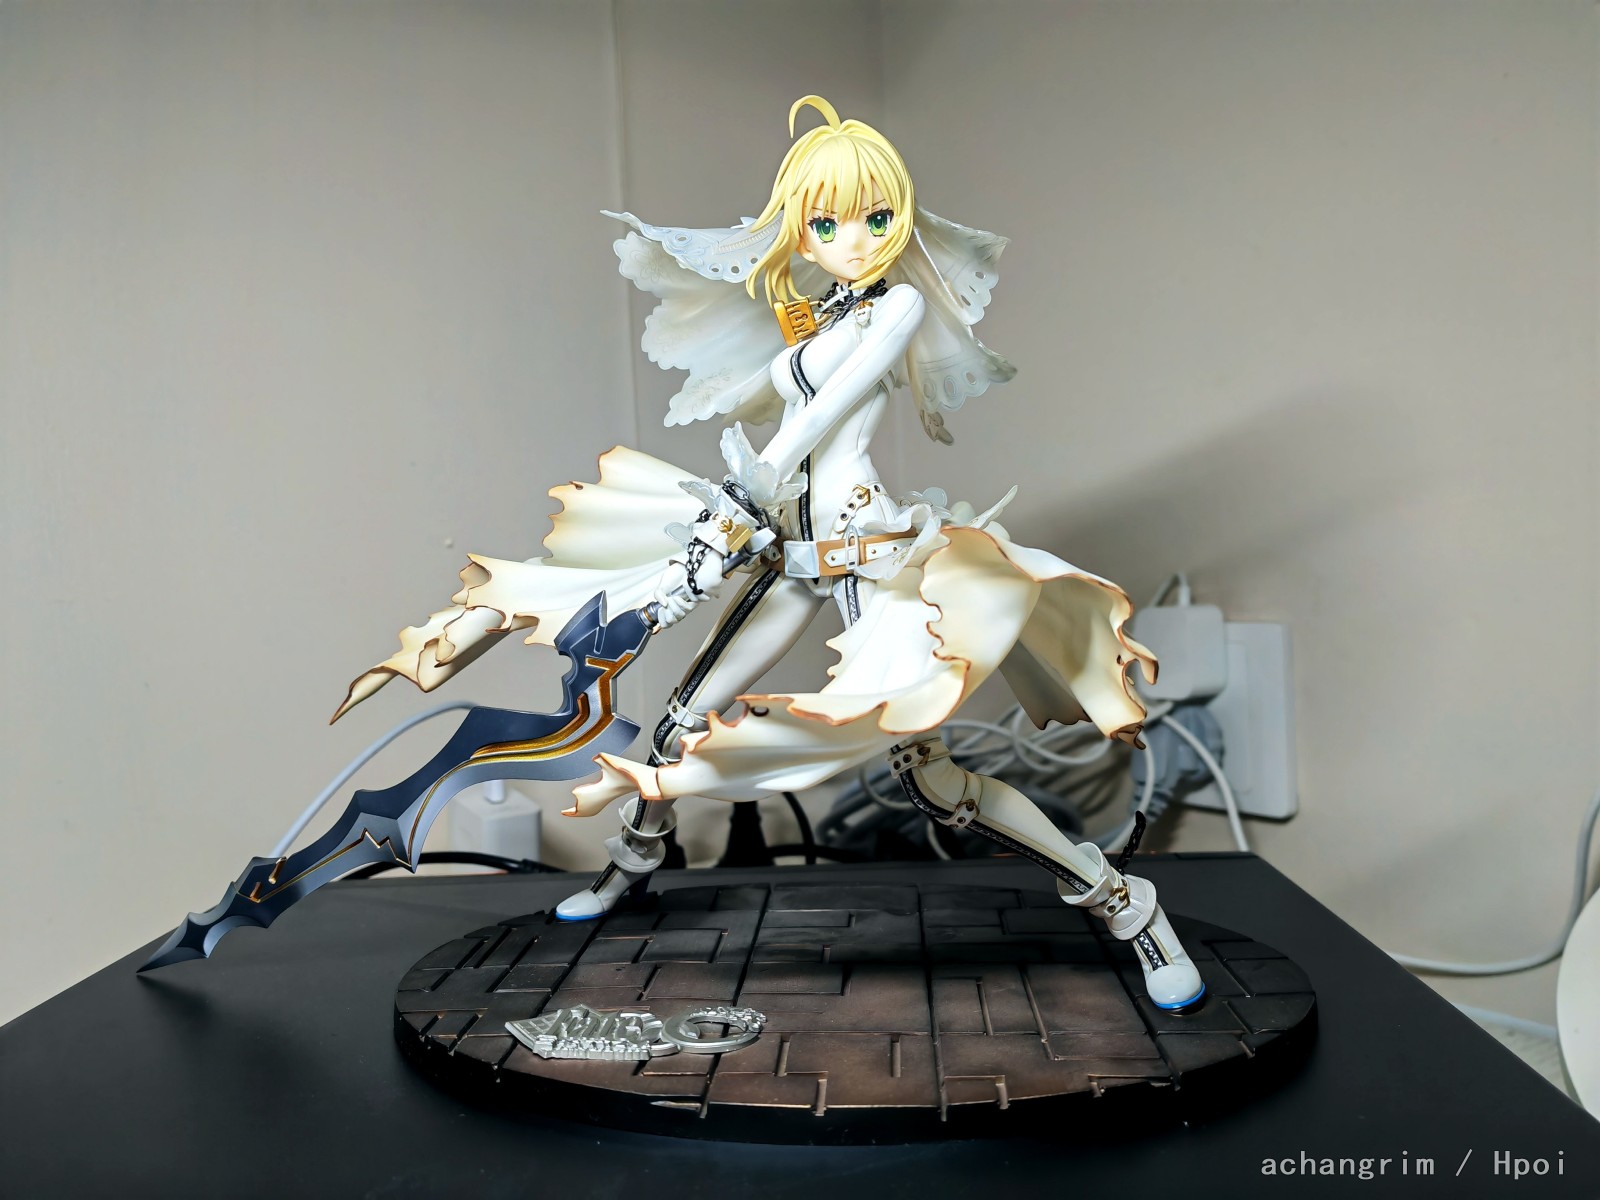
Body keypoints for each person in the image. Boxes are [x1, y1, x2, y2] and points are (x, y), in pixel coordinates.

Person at [334, 96, 1205, 1011]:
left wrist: (753, 483)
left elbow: (826, 417)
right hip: (793, 549)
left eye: (875, 218)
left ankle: (1125, 903)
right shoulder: (821, 312)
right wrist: (727, 507)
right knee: (679, 724)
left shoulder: (899, 303)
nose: (855, 240)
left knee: (933, 783)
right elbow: (777, 405)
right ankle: (629, 866)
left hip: (871, 558)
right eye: (828, 224)